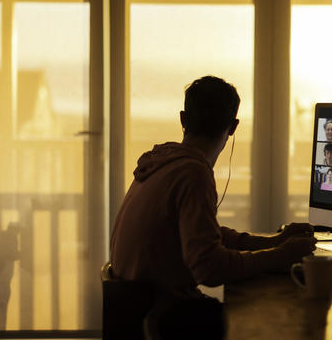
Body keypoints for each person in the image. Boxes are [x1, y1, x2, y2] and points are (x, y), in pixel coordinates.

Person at [110, 76, 316, 302]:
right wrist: (280, 256)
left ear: (183, 119)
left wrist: (275, 242)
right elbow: (209, 268)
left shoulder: (162, 163)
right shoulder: (192, 174)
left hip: (132, 310)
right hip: (160, 317)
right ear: (233, 127)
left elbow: (203, 233)